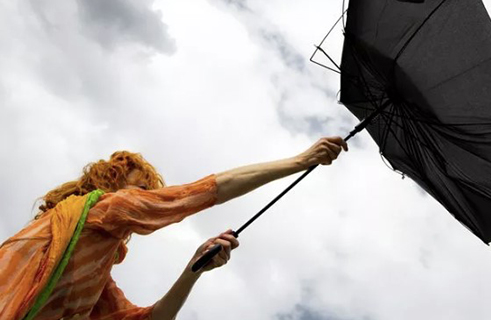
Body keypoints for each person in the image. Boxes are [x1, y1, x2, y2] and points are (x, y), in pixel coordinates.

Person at [0, 136, 348, 320]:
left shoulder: (94, 272)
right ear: (112, 182)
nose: (146, 197)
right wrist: (299, 161)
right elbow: (199, 193)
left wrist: (193, 269)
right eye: (140, 188)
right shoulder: (106, 207)